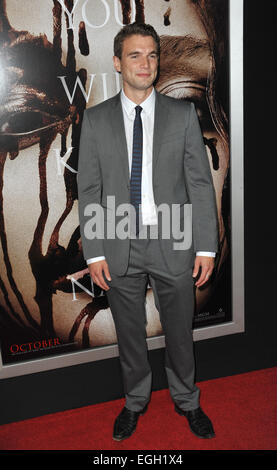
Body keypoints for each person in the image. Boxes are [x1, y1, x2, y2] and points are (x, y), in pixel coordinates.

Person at [77, 23, 218, 441]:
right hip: (119, 242)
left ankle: (187, 400)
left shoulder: (181, 114)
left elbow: (199, 183)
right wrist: (95, 252)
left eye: (152, 54)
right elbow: (89, 188)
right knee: (130, 333)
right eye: (135, 55)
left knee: (179, 331)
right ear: (118, 63)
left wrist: (206, 245)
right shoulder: (97, 119)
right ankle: (134, 401)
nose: (146, 63)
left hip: (173, 241)